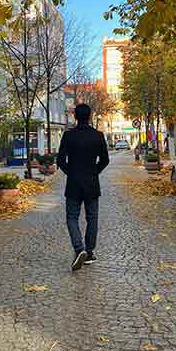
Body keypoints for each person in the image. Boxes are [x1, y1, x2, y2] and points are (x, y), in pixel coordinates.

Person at [56, 103, 110, 271]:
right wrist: (94, 172)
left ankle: (79, 249)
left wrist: (71, 173)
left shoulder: (68, 136)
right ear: (90, 116)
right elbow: (105, 160)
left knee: (72, 217)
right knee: (92, 218)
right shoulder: (98, 136)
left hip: (73, 183)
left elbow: (60, 161)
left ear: (75, 117)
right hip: (92, 183)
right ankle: (89, 252)